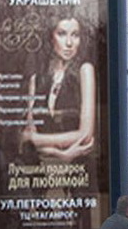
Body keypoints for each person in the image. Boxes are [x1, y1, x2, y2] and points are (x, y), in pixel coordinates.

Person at [22, 15, 96, 164]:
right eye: (61, 34)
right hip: (41, 173)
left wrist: (37, 140)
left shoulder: (85, 70)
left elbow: (86, 135)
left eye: (75, 35)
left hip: (78, 173)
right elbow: (25, 138)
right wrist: (62, 153)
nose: (69, 43)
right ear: (51, 38)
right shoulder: (37, 80)